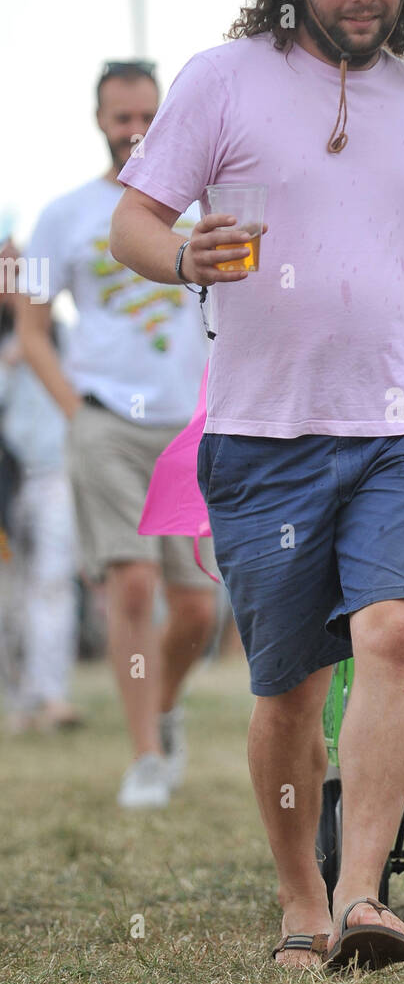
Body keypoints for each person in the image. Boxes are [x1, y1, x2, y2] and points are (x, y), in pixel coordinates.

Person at [109, 0, 404, 972]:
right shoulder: (222, 80)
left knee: (391, 631)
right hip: (265, 435)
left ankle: (364, 897)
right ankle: (300, 901)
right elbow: (133, 223)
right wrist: (185, 254)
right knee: (287, 689)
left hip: (399, 429)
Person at [18, 61, 217, 806]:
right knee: (129, 583)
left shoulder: (201, 206)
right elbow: (32, 327)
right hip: (105, 422)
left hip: (190, 428)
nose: (133, 131)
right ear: (99, 120)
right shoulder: (63, 214)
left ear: (163, 118)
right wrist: (77, 412)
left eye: (145, 117)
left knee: (196, 607)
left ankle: (164, 709)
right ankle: (142, 759)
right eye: (119, 118)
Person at [0, 243, 80, 732]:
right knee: (10, 593)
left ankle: (50, 694)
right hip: (6, 486)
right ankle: (18, 700)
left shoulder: (65, 336)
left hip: (55, 474)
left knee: (52, 584)